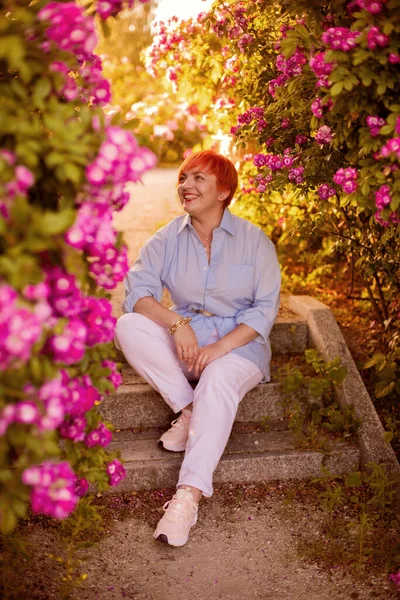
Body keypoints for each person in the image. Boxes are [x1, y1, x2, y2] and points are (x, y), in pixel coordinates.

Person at [115, 150, 281, 547]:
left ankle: (187, 496)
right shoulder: (167, 238)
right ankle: (189, 412)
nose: (186, 186)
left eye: (198, 179)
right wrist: (178, 324)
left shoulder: (255, 241)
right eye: (183, 178)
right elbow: (137, 293)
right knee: (128, 326)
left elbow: (264, 310)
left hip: (240, 348)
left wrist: (221, 347)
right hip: (188, 343)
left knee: (219, 379)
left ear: (224, 191)